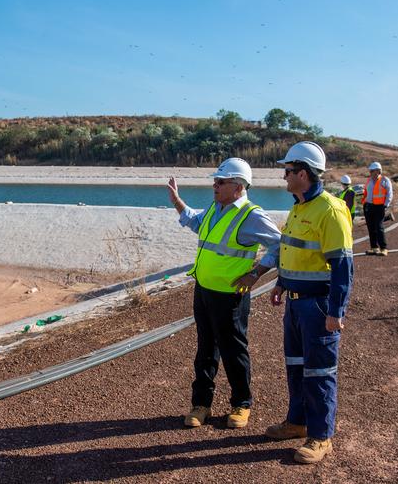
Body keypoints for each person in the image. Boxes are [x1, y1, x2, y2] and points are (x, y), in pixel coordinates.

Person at [167, 158, 281, 429]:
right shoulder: (216, 207)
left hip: (230, 297)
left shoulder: (251, 215)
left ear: (238, 187)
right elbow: (195, 222)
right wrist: (176, 201)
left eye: (221, 182)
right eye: (215, 181)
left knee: (233, 350)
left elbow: (279, 244)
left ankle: (241, 404)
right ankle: (201, 404)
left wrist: (256, 273)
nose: (215, 185)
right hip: (204, 290)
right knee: (205, 349)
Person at [267, 141, 353, 464]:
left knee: (320, 372)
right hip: (294, 302)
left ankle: (321, 436)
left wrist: (336, 311)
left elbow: (343, 265)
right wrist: (280, 283)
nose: (284, 177)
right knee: (297, 367)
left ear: (302, 173)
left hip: (317, 307)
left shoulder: (329, 210)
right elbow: (293, 250)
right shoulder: (299, 205)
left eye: (287, 171)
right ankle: (298, 422)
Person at [362, 162, 393, 256]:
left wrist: (386, 204)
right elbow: (366, 192)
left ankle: (384, 248)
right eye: (370, 171)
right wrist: (364, 202)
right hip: (368, 206)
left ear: (378, 171)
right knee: (371, 227)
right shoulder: (368, 180)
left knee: (379, 227)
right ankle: (374, 248)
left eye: (372, 171)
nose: (371, 173)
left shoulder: (385, 180)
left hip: (380, 206)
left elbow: (389, 193)